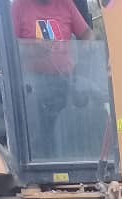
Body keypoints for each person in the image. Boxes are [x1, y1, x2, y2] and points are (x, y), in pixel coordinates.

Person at [11, 0, 91, 159]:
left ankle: (83, 159)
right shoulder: (19, 6)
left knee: (91, 102)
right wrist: (32, 48)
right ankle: (38, 163)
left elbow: (87, 34)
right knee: (38, 130)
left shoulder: (65, 3)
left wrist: (88, 46)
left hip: (65, 80)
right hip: (31, 85)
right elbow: (10, 47)